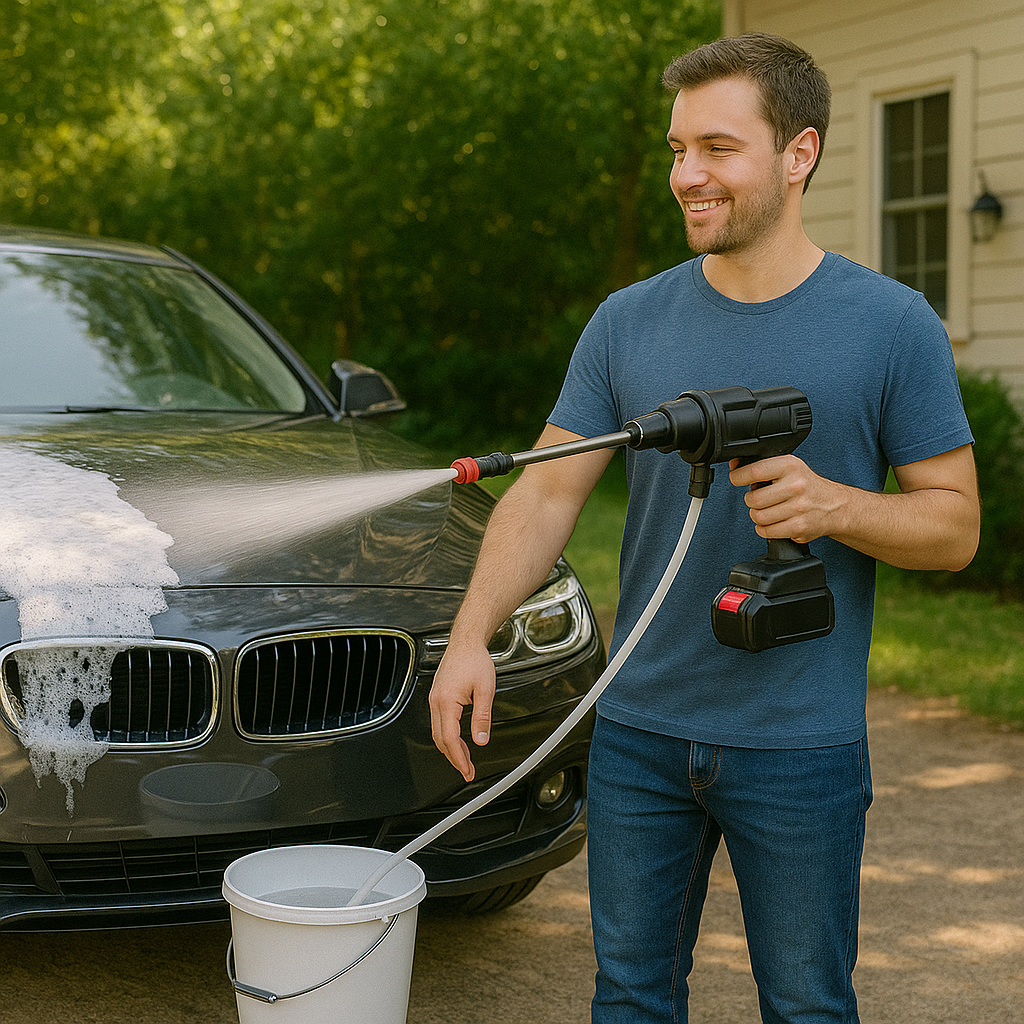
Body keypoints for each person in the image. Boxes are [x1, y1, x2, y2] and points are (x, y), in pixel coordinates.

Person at [429, 32, 980, 1024]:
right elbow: (547, 491)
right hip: (636, 731)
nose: (688, 175)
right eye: (678, 150)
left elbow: (955, 527)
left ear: (797, 153)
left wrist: (834, 507)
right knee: (630, 1000)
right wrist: (471, 635)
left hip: (799, 744)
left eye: (717, 150)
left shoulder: (892, 325)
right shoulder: (625, 323)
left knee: (807, 1005)